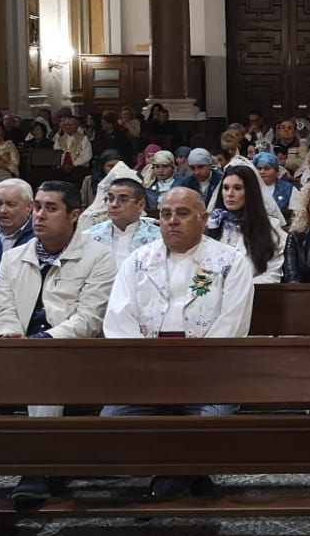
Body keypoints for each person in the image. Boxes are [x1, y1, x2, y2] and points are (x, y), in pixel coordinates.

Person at [103, 185, 255, 499]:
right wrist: (149, 370)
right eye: (166, 214)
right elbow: (119, 320)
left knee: (210, 424)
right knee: (111, 425)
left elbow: (233, 323)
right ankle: (190, 474)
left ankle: (170, 479)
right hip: (146, 374)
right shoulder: (139, 261)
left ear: (204, 219)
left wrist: (192, 371)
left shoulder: (230, 262)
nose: (172, 220)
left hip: (211, 376)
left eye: (182, 213)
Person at [0, 180, 116, 502]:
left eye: (51, 208)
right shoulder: (14, 258)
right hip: (16, 346)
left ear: (74, 215)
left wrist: (42, 340)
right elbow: (3, 307)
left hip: (66, 351)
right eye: (37, 206)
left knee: (45, 372)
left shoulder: (99, 257)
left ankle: (36, 469)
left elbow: (89, 318)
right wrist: (8, 335)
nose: (39, 215)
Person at [208, 164, 284, 283]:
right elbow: (201, 270)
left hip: (254, 295)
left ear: (250, 192)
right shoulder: (212, 224)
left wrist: (237, 290)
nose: (229, 194)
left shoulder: (270, 227)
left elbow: (272, 275)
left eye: (237, 188)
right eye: (226, 188)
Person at [85, 175, 161, 268]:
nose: (114, 205)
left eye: (123, 199)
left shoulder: (158, 239)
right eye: (110, 199)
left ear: (140, 205)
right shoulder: (89, 237)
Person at [52, 113, 92, 183]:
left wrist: (73, 165)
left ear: (77, 126)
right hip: (62, 167)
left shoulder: (84, 138)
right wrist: (62, 165)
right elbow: (56, 154)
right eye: (66, 125)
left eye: (70, 125)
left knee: (78, 173)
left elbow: (87, 156)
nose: (68, 127)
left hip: (79, 167)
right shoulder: (59, 139)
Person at [254, 151, 295, 218]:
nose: (262, 172)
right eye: (259, 168)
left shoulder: (289, 189)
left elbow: (295, 214)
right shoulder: (249, 188)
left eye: (267, 168)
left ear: (276, 171)